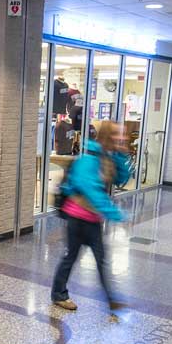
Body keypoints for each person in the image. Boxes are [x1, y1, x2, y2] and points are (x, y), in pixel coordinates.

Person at [51, 120, 131, 320]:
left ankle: (112, 300)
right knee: (71, 257)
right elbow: (90, 189)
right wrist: (114, 213)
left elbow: (122, 178)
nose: (120, 138)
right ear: (106, 136)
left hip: (93, 220)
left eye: (121, 135)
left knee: (101, 260)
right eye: (116, 135)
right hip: (76, 218)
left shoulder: (107, 158)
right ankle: (58, 295)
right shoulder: (88, 158)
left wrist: (121, 154)